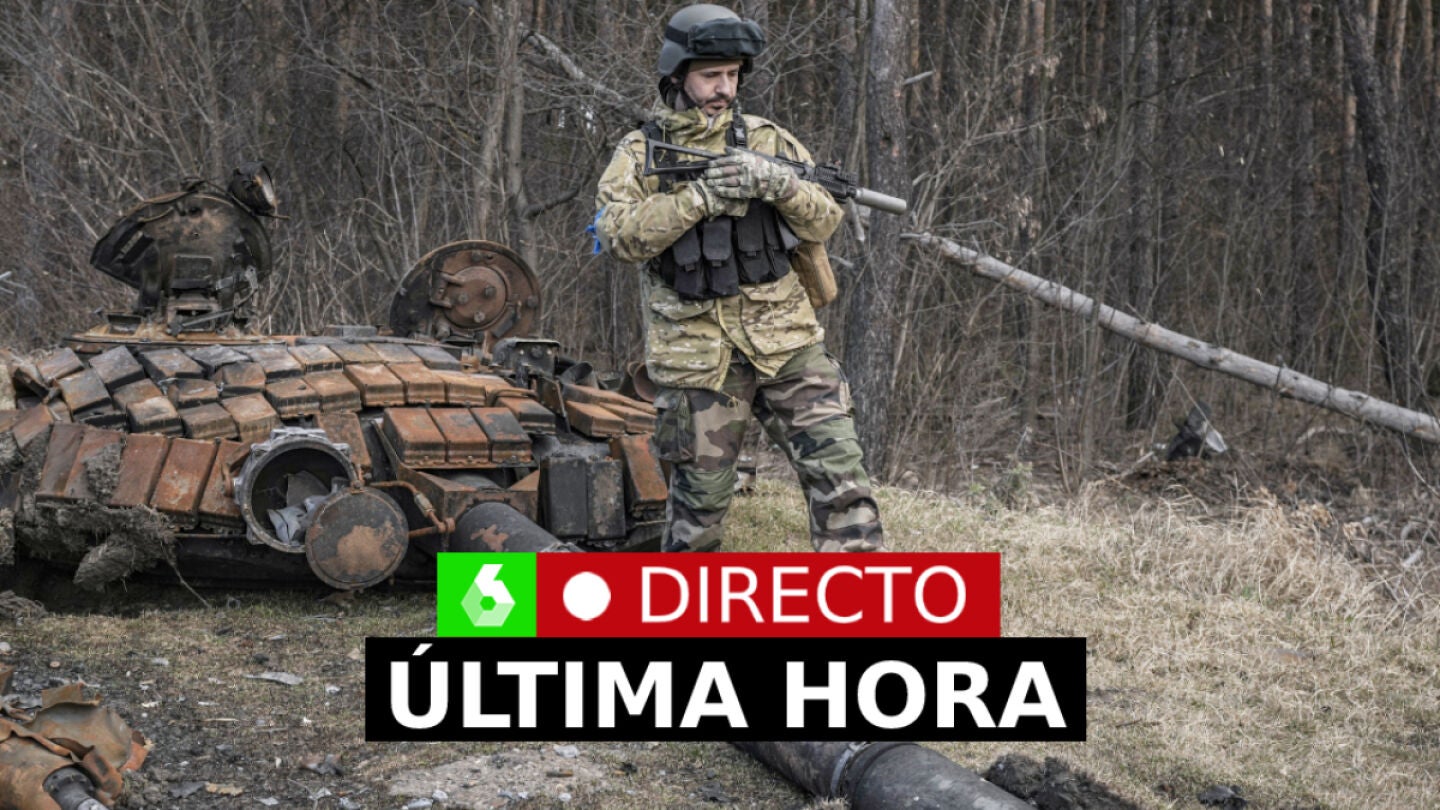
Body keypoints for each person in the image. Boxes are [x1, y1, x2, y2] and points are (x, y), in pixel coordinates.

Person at [593, 3, 883, 553]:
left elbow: (825, 220)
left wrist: (777, 185)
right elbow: (619, 236)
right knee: (697, 516)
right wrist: (699, 198)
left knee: (844, 487)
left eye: (731, 75)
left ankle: (858, 598)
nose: (723, 88)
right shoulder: (638, 153)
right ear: (677, 74)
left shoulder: (769, 141)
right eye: (710, 75)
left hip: (787, 344)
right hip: (698, 360)